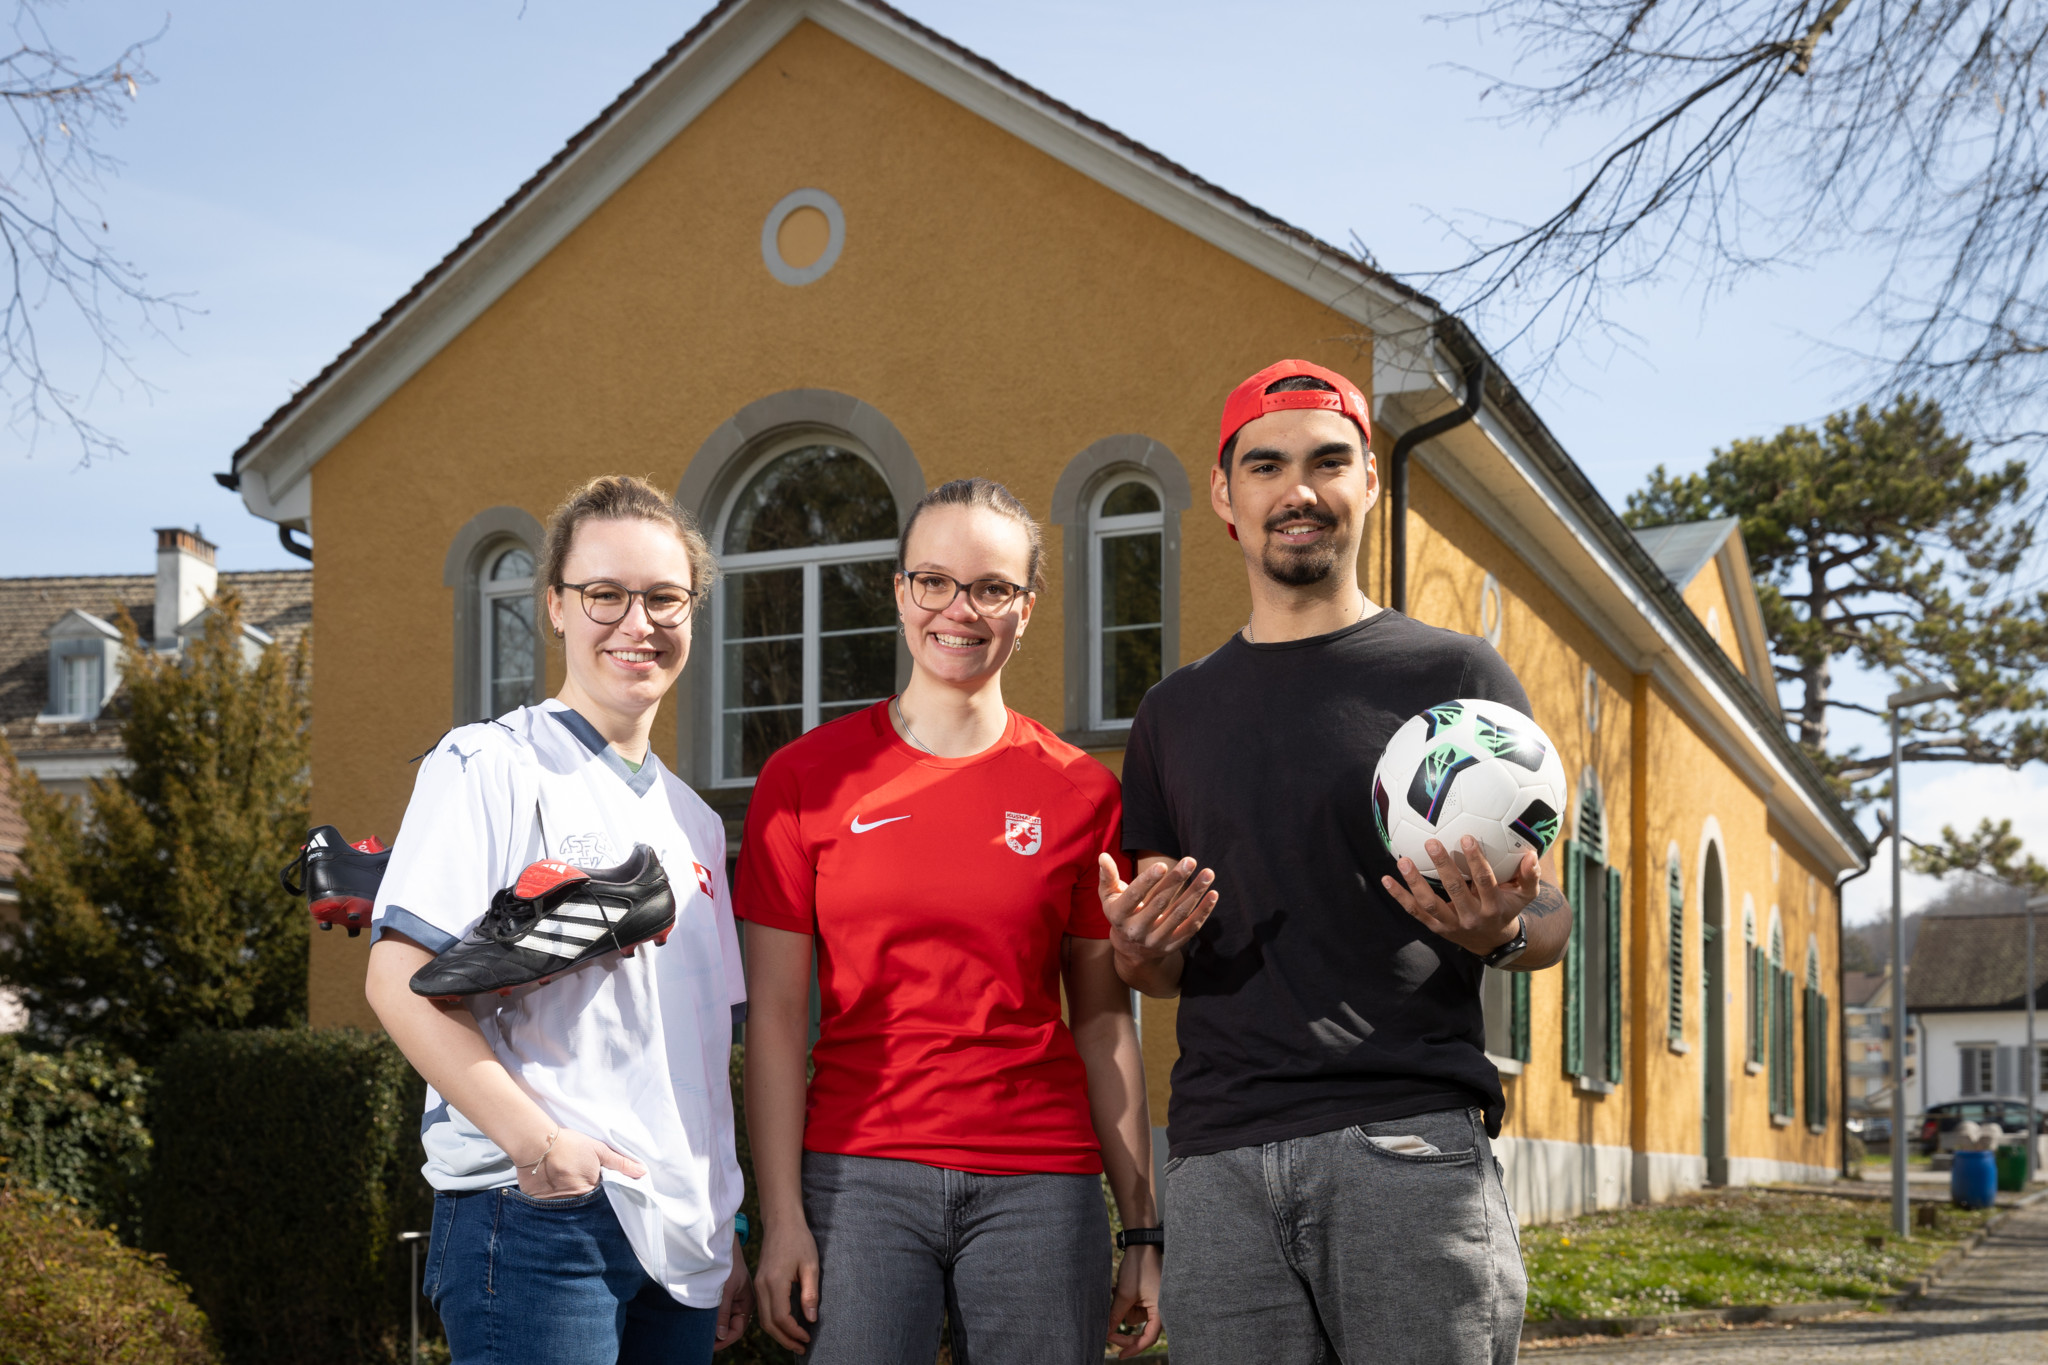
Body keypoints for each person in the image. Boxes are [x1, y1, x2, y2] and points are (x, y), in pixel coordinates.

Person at [1105, 360, 1573, 1365]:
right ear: (1226, 496)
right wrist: (1139, 952)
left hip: (1404, 1147)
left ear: (1370, 482)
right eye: (1266, 465)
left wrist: (1500, 930)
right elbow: (1155, 966)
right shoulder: (1170, 715)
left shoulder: (1455, 680)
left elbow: (1549, 920)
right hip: (1219, 1161)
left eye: (1327, 461)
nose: (1298, 489)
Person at [738, 478, 1170, 1364]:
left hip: (1040, 1181)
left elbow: (1100, 1020)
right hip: (857, 1177)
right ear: (900, 592)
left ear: (1027, 606)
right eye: (933, 581)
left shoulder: (1081, 793)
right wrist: (781, 1216)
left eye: (991, 588)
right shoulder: (803, 780)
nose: (958, 610)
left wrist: (1144, 1229)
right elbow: (777, 1020)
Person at [364, 475, 754, 1365]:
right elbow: (396, 980)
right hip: (539, 1216)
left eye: (663, 597)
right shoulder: (490, 763)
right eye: (604, 594)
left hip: (678, 1242)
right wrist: (539, 1146)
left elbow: (697, 1049)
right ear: (555, 607)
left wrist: (723, 1218)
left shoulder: (696, 821)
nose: (636, 622)